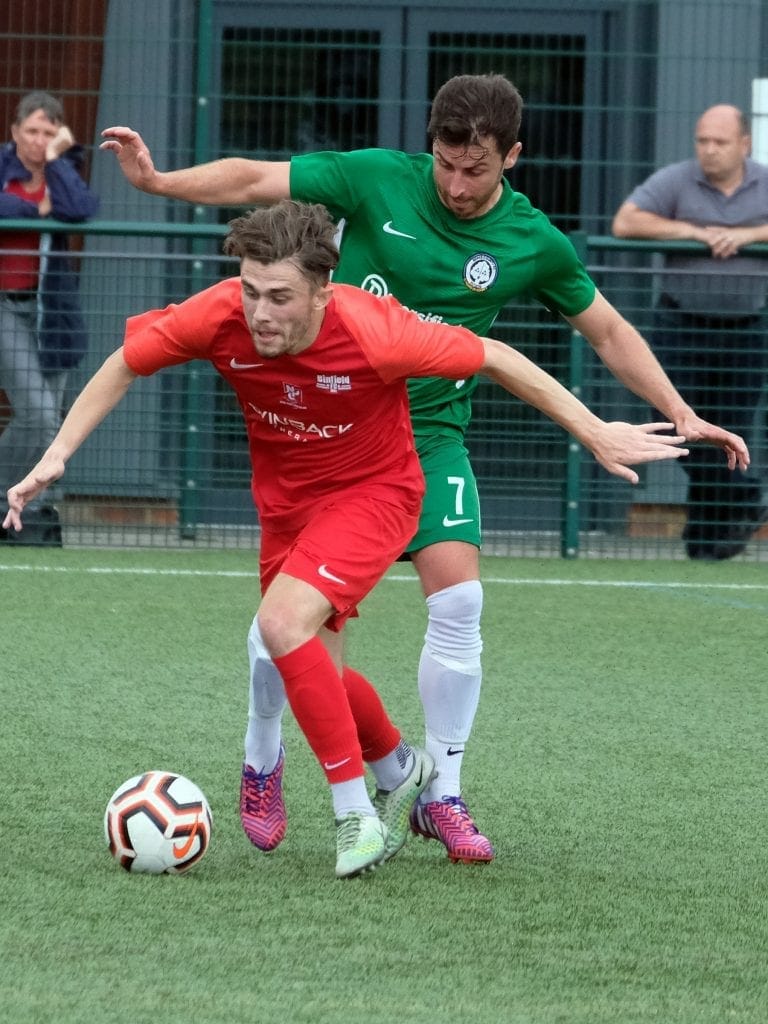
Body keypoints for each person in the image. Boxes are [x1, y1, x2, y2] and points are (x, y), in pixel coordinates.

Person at [99, 75, 745, 864]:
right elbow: (256, 178)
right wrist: (160, 182)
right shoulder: (375, 177)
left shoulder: (532, 240)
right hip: (327, 434)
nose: (456, 185)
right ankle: (276, 756)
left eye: (476, 170)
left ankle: (440, 795)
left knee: (461, 596)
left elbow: (607, 330)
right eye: (445, 164)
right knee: (288, 639)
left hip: (428, 437)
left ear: (511, 156)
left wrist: (677, 412)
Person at [4, 201, 703, 876]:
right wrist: (58, 453)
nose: (259, 312)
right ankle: (401, 770)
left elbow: (492, 354)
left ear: (323, 291)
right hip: (287, 508)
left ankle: (354, 814)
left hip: (378, 494)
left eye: (280, 297)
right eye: (251, 292)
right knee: (319, 676)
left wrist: (592, 429)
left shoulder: (375, 330)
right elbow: (126, 360)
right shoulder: (220, 314)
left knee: (279, 626)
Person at [613, 104, 768, 560]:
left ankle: (705, 544)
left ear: (744, 144)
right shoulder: (675, 180)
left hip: (748, 330)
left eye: (719, 142)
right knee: (685, 431)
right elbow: (626, 221)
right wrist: (695, 231)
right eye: (702, 141)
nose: (709, 151)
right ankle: (744, 497)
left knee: (730, 431)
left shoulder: (763, 181)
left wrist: (747, 236)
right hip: (681, 325)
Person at [0, 90, 99, 546]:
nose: (38, 140)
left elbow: (80, 209)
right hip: (5, 306)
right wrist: (37, 208)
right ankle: (6, 498)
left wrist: (59, 160)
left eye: (48, 132)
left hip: (50, 311)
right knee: (38, 413)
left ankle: (23, 514)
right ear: (16, 130)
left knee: (51, 423)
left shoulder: (62, 170)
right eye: (32, 130)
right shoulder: (4, 168)